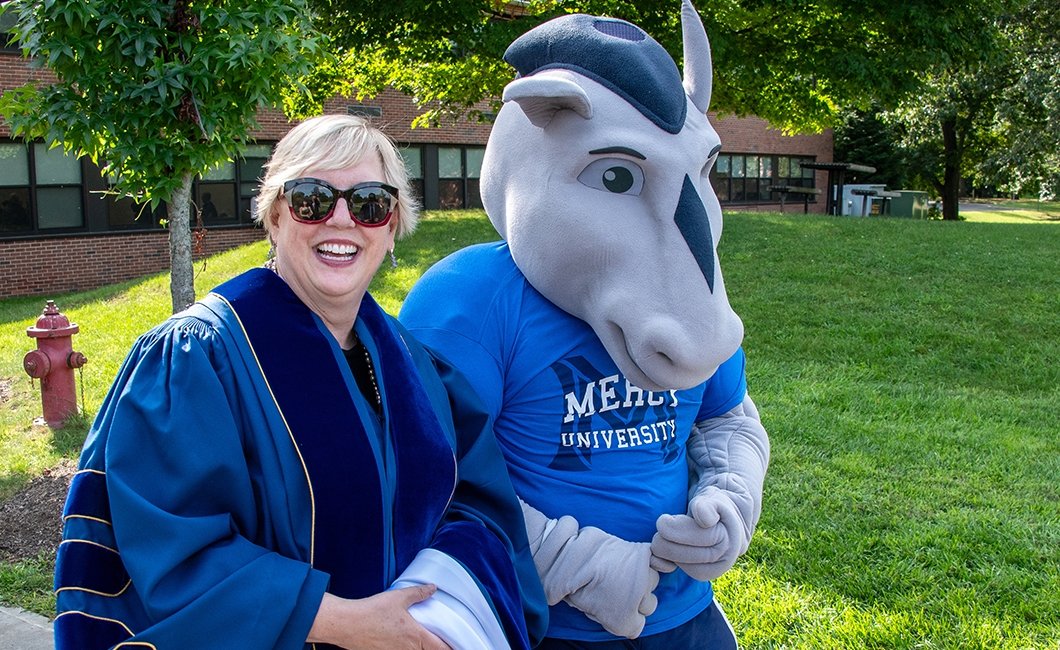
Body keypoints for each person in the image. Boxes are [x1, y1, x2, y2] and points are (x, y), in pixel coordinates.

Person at [54, 114, 547, 650]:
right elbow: (167, 549)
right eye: (312, 198)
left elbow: (475, 502)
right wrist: (340, 622)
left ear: (392, 226)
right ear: (274, 214)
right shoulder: (200, 358)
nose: (342, 220)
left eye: (369, 203)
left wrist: (445, 608)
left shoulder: (412, 363)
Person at [400, 3, 769, 648]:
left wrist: (729, 501)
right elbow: (425, 476)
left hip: (690, 622)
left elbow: (728, 417)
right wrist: (577, 565)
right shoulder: (473, 302)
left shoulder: (695, 296)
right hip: (547, 629)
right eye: (618, 175)